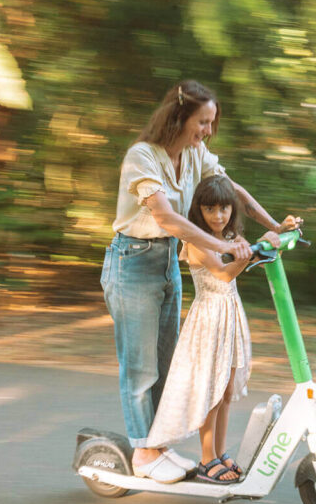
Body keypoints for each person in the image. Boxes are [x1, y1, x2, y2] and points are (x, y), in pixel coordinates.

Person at [101, 80, 302, 483]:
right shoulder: (142, 157)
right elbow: (166, 218)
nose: (208, 131)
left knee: (165, 362)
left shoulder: (195, 153)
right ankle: (143, 451)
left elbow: (234, 191)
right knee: (140, 367)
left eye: (211, 123)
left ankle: (157, 444)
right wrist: (225, 247)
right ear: (179, 117)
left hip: (166, 262)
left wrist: (275, 225)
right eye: (203, 122)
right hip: (133, 261)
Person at [147, 175, 280, 483]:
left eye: (224, 209)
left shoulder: (230, 236)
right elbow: (223, 275)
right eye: (211, 210)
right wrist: (256, 252)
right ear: (199, 211)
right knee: (212, 389)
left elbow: (250, 253)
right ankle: (207, 459)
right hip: (209, 320)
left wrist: (273, 242)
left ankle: (219, 453)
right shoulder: (196, 241)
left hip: (229, 316)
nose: (219, 216)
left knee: (226, 391)